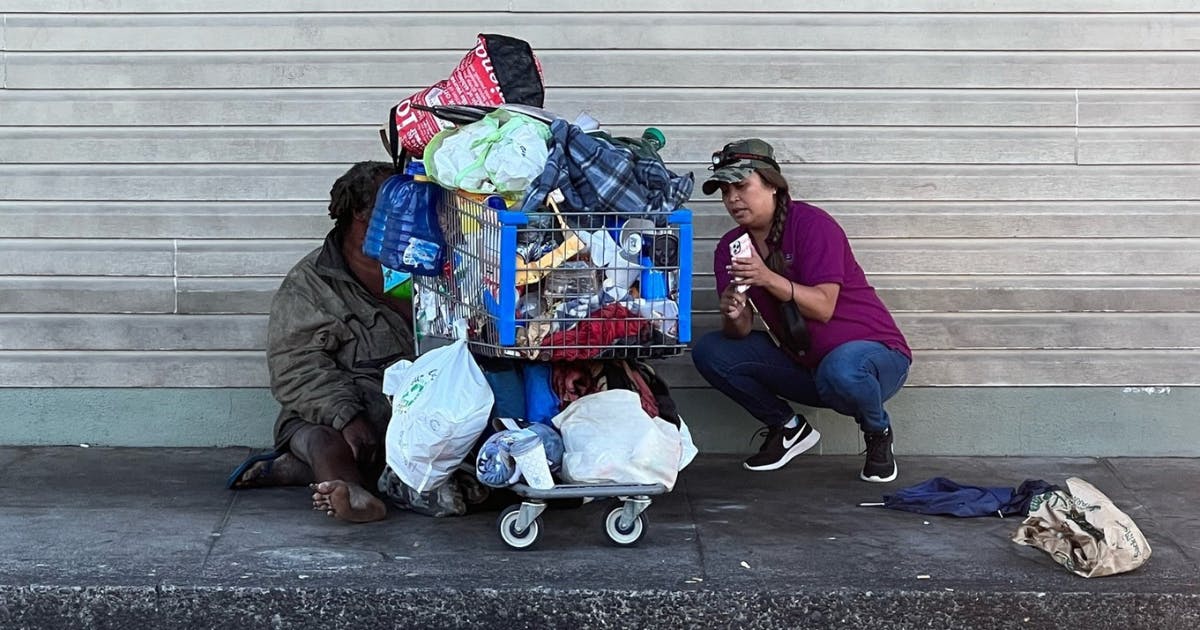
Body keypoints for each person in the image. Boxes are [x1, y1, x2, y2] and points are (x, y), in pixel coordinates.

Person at [690, 139, 912, 482]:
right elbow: (741, 332)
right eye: (724, 190)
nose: (732, 198)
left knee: (841, 368)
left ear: (773, 186)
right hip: (809, 366)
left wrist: (767, 277)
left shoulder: (812, 224)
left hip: (874, 361)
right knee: (712, 349)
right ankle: (788, 427)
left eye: (741, 186)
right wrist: (733, 312)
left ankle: (877, 433)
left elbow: (823, 307)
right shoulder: (731, 248)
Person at [227, 161, 414, 522]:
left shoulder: (426, 265)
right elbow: (295, 367)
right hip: (340, 415)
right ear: (361, 213)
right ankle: (352, 495)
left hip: (412, 412)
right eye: (396, 203)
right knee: (326, 441)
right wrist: (347, 417)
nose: (410, 212)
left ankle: (299, 471)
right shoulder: (309, 284)